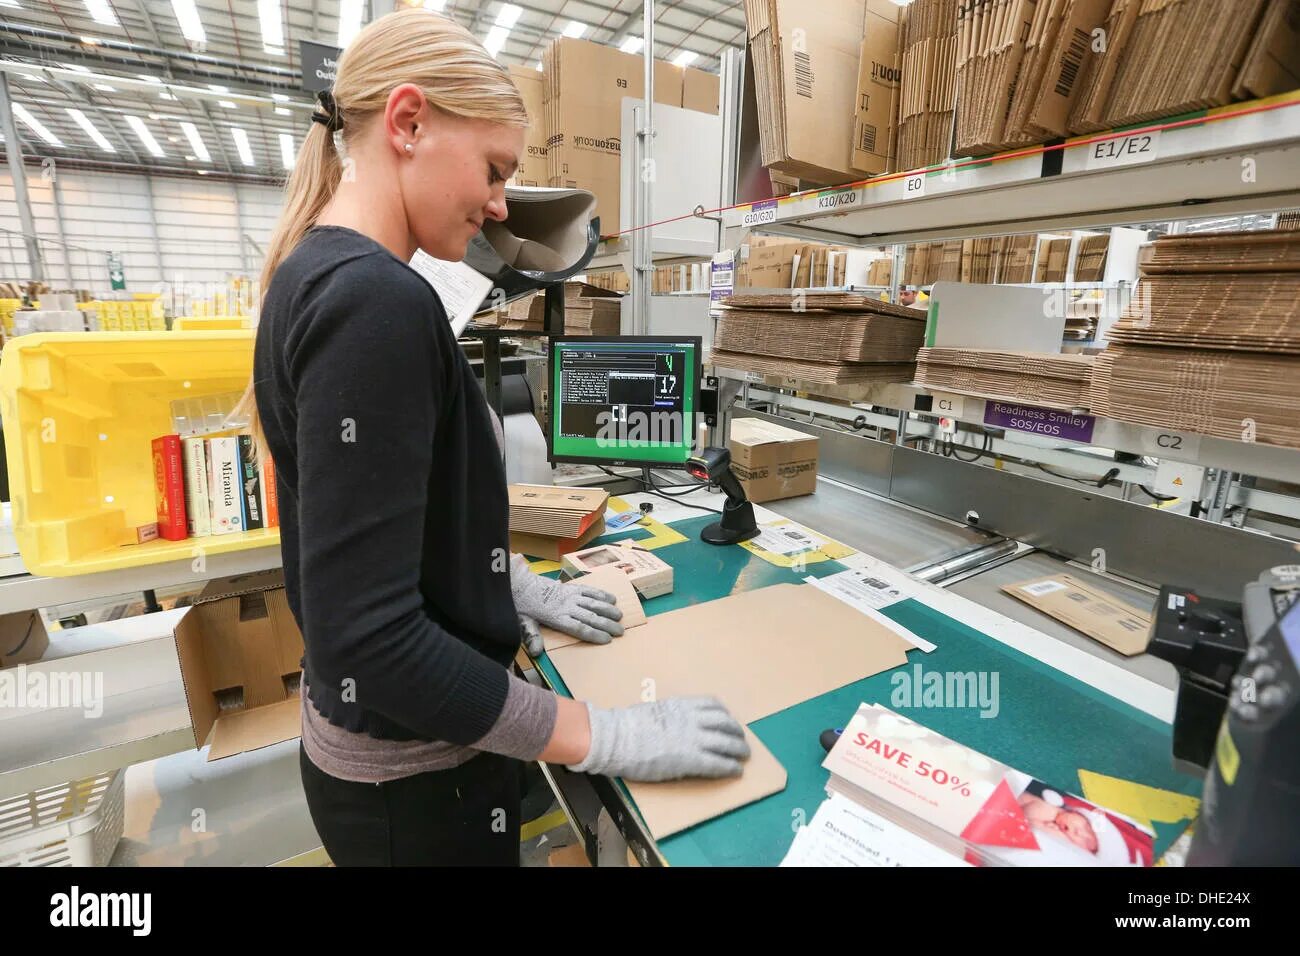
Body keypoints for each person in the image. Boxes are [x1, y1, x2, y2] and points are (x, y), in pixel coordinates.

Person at [234, 9, 749, 867]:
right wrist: (599, 735)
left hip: (376, 768)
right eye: (494, 168)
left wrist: (499, 594)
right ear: (407, 123)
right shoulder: (375, 304)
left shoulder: (317, 274)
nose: (502, 204)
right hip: (416, 785)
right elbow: (369, 640)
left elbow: (381, 546)